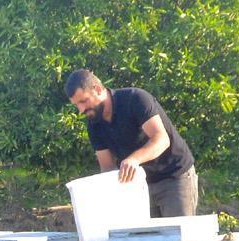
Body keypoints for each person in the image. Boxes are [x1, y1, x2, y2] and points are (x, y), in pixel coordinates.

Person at [64, 70, 199, 217]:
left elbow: (161, 139)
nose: (81, 110)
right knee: (146, 239)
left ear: (97, 88)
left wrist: (134, 159)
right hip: (139, 186)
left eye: (83, 101)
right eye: (76, 105)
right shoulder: (94, 125)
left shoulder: (135, 99)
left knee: (178, 235)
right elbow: (108, 168)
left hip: (174, 176)